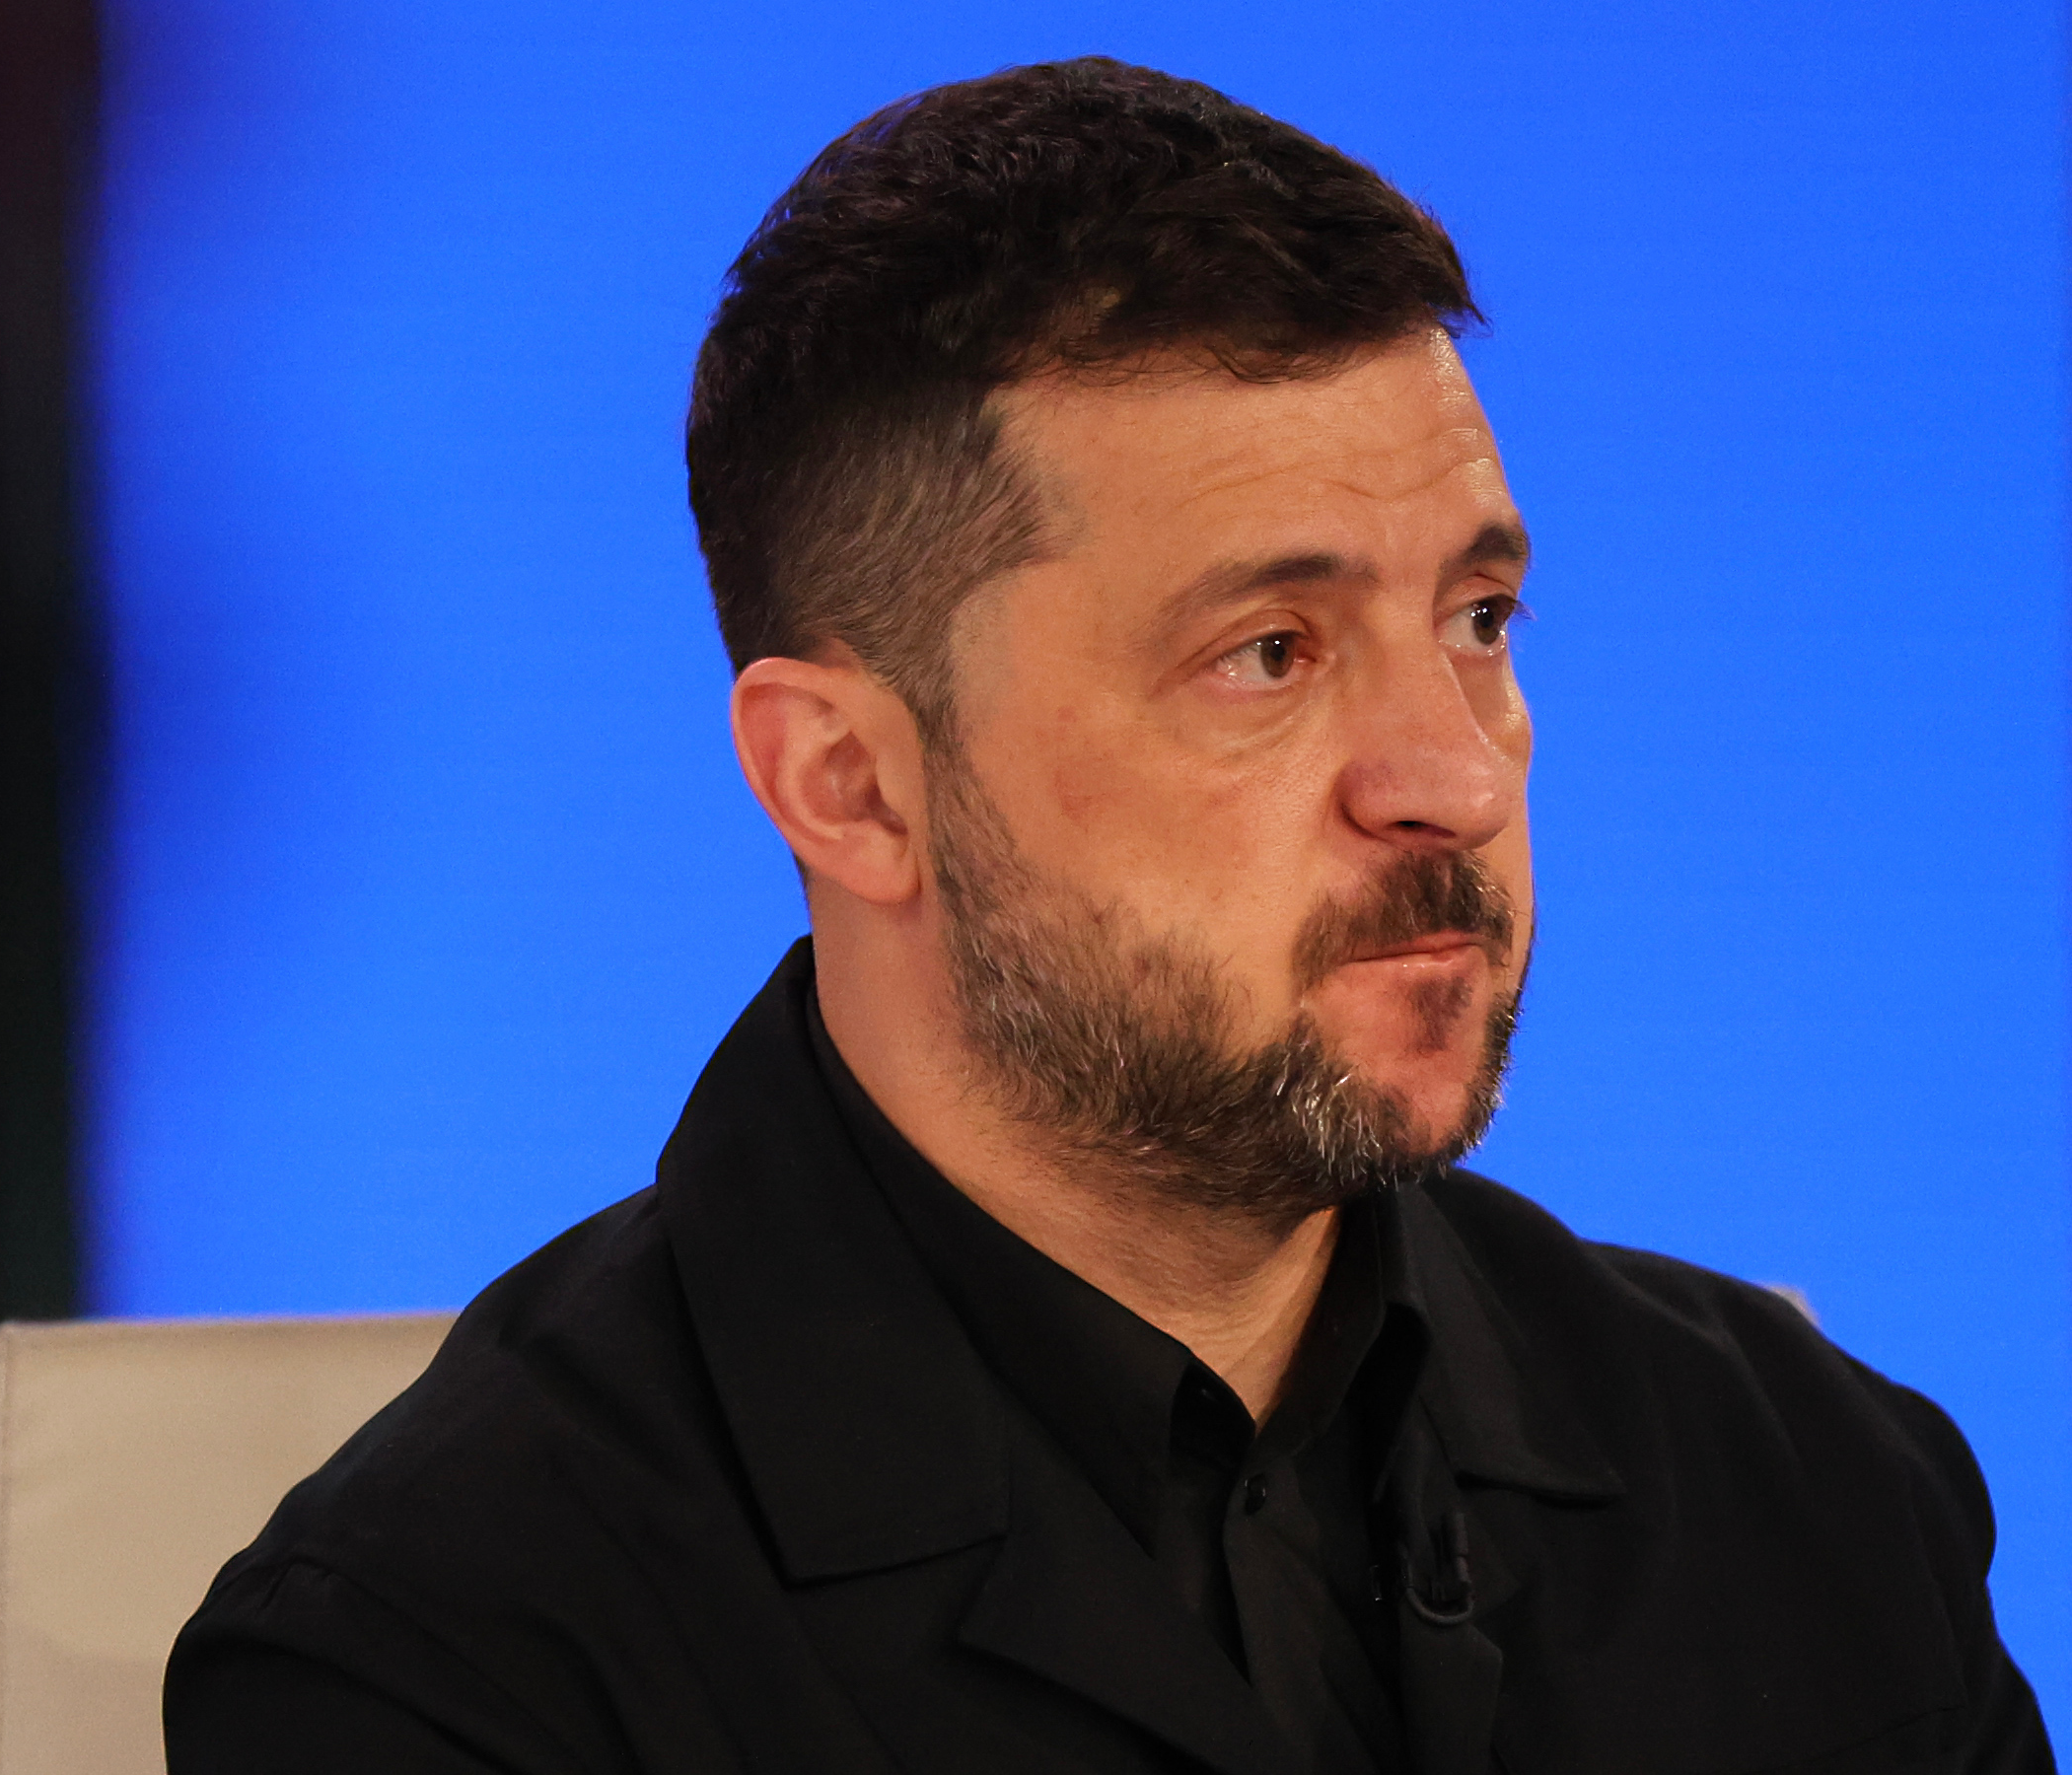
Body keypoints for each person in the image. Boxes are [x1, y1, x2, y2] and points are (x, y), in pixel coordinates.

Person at [166, 58, 2053, 1774]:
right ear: (852, 785)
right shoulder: (446, 1664)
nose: (1455, 779)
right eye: (1270, 652)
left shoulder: (1817, 1491)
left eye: (1478, 621)